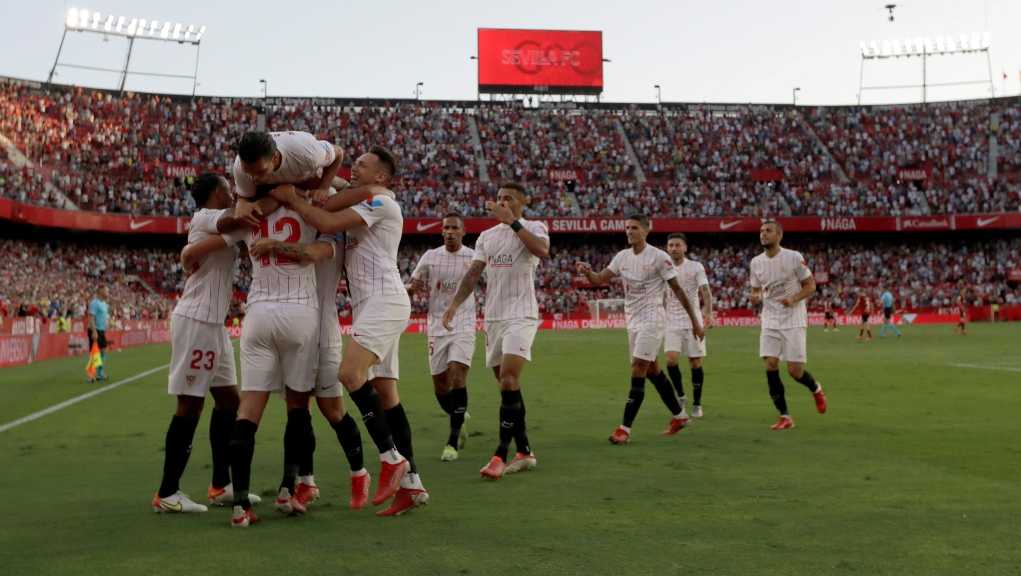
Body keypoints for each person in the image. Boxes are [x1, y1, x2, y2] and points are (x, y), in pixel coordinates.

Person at [270, 147, 427, 517]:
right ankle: (413, 485)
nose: (354, 167)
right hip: (369, 305)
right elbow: (335, 188)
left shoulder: (382, 204)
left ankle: (391, 459)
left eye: (363, 164)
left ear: (382, 177)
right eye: (353, 162)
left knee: (349, 373)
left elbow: (323, 221)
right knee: (387, 394)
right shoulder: (370, 195)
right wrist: (324, 177)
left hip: (385, 300)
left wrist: (293, 197)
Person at [153, 173, 259, 514]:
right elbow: (237, 219)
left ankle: (220, 484)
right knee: (190, 405)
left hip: (214, 323)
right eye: (227, 188)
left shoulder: (218, 225)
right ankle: (167, 492)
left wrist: (191, 251)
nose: (231, 192)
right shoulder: (205, 217)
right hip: (197, 319)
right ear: (216, 192)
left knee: (229, 400)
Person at [226, 181, 324, 528]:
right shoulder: (311, 205)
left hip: (259, 313)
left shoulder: (249, 212)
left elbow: (222, 225)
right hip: (300, 311)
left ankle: (239, 506)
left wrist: (243, 203)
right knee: (298, 407)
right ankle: (287, 489)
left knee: (248, 410)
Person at [442, 182, 548, 480]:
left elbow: (542, 250)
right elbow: (474, 273)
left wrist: (512, 221)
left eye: (509, 199)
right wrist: (454, 305)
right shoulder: (487, 237)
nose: (501, 203)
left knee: (509, 379)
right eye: (499, 198)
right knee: (508, 388)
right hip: (493, 318)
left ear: (522, 202)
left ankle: (500, 454)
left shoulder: (533, 227)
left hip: (521, 314)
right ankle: (525, 451)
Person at [577, 216, 704, 444]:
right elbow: (598, 279)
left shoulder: (659, 257)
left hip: (653, 319)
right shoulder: (622, 257)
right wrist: (588, 272)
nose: (629, 231)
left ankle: (624, 428)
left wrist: (695, 320)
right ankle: (680, 415)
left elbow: (678, 289)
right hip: (633, 320)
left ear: (646, 230)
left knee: (638, 368)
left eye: (634, 228)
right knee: (652, 370)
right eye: (627, 228)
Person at [406, 213, 475, 462]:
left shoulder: (473, 257)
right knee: (440, 386)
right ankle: (460, 414)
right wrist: (411, 289)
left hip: (464, 323)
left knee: (457, 375)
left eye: (454, 228)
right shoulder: (431, 256)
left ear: (463, 231)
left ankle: (452, 441)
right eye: (446, 227)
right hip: (436, 325)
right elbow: (414, 281)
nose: (449, 231)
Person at [749, 220, 828, 430]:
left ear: (779, 235)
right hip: (770, 319)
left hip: (793, 319)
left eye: (768, 231)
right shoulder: (755, 262)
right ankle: (785, 416)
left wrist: (793, 299)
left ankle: (816, 388)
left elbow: (811, 285)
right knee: (770, 365)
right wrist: (755, 297)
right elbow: (756, 289)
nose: (763, 234)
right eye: (761, 231)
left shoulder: (793, 257)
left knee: (795, 371)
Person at [661, 233, 713, 419]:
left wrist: (708, 313)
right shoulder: (662, 267)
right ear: (667, 248)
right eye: (671, 245)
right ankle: (681, 395)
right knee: (671, 359)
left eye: (677, 245)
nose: (674, 248)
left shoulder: (695, 267)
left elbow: (705, 292)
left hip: (693, 320)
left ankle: (697, 403)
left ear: (685, 248)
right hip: (671, 320)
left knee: (695, 362)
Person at [87, 286, 110, 382]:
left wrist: (106, 326)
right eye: (106, 290)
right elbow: (91, 317)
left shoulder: (104, 304)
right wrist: (94, 331)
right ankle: (91, 375)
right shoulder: (94, 303)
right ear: (101, 291)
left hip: (101, 330)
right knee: (94, 352)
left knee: (103, 351)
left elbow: (104, 317)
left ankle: (100, 373)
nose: (108, 292)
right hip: (95, 330)